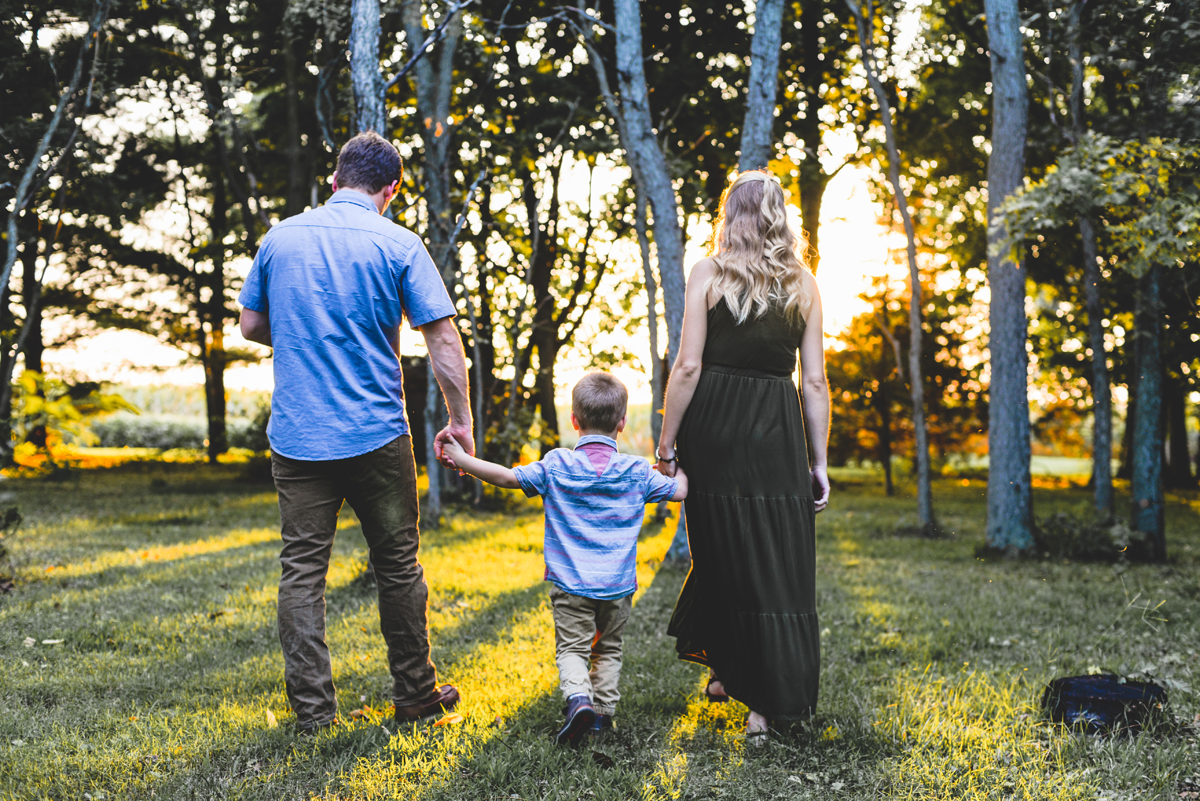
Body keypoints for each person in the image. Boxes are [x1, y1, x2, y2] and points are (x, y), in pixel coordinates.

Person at [238, 131, 474, 734]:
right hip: (376, 436)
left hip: (297, 437)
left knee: (302, 570)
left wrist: (301, 334)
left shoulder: (280, 237)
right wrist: (460, 421)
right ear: (390, 189)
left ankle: (314, 714)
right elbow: (443, 339)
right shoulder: (397, 243)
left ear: (335, 176)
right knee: (398, 565)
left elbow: (250, 324)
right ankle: (416, 695)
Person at [655, 170, 830, 740]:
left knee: (723, 549)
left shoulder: (709, 272)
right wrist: (818, 461)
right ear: (781, 214)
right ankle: (747, 687)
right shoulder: (805, 283)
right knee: (774, 561)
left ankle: (748, 686)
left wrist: (666, 443)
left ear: (731, 213)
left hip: (715, 428)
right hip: (775, 431)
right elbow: (817, 383)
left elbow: (687, 367)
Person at [442, 372, 687, 746]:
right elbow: (679, 491)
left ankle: (578, 700)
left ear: (574, 420)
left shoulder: (558, 465)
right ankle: (602, 717)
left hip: (570, 584)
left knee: (573, 648)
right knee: (608, 649)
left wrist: (462, 457)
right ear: (622, 422)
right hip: (617, 587)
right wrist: (679, 466)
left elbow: (508, 478)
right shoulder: (637, 472)